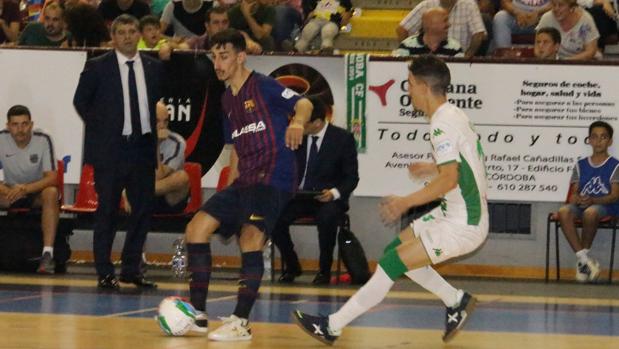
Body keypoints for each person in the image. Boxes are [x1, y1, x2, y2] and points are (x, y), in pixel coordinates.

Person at [293, 55, 488, 344]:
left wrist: (406, 201)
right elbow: (464, 165)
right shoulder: (452, 114)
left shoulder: (441, 124)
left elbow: (450, 179)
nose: (407, 91)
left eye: (409, 85)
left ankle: (332, 326)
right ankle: (455, 300)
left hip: (463, 224)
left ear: (423, 86)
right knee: (395, 250)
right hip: (454, 213)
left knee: (391, 264)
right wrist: (432, 167)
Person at [183, 28, 312, 341]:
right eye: (214, 56)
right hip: (245, 180)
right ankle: (198, 315)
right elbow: (237, 148)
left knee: (250, 237)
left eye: (224, 56)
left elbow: (304, 104)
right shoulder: (227, 99)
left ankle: (240, 322)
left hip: (274, 177)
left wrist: (296, 122)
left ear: (241, 57)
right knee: (196, 229)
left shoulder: (264, 86)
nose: (217, 63)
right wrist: (228, 185)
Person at [73, 14, 163, 290]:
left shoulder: (153, 67)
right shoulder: (98, 66)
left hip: (142, 147)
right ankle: (104, 271)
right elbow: (80, 101)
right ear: (113, 37)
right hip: (111, 151)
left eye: (132, 30)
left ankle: (131, 269)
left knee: (142, 212)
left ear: (139, 34)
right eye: (121, 31)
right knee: (108, 212)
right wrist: (104, 129)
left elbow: (154, 103)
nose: (127, 36)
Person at [272, 96, 359, 284]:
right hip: (300, 196)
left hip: (328, 198)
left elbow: (351, 177)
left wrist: (334, 193)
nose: (299, 125)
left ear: (318, 122)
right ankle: (292, 265)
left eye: (304, 122)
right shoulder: (296, 137)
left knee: (327, 218)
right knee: (274, 215)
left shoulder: (342, 139)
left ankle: (324, 270)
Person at [0, 105, 59, 274]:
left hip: (35, 190)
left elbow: (52, 177)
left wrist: (25, 189)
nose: (20, 129)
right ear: (8, 126)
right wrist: (4, 189)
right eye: (15, 124)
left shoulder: (44, 139)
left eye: (24, 124)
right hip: (9, 192)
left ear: (31, 125)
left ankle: (47, 255)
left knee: (51, 192)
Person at [557, 121, 619, 283]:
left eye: (603, 137)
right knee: (564, 211)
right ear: (589, 140)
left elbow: (615, 196)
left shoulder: (615, 165)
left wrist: (593, 200)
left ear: (610, 141)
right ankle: (584, 261)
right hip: (584, 205)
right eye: (594, 137)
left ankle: (582, 263)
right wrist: (577, 198)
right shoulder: (580, 164)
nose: (598, 141)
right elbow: (573, 195)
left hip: (607, 206)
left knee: (590, 212)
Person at [396, 0, 487, 58]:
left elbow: (479, 35)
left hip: (455, 57)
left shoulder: (469, 5)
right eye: (445, 21)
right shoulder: (426, 5)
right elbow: (402, 29)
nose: (449, 24)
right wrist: (409, 50)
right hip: (422, 60)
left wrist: (465, 59)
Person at [186, 6, 262, 53]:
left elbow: (250, 44)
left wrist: (253, 46)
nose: (221, 26)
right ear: (207, 26)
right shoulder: (197, 42)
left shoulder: (239, 36)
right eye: (216, 22)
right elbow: (181, 47)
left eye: (224, 22)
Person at [393, 7, 464, 57]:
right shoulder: (406, 46)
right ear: (431, 24)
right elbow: (399, 70)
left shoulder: (455, 48)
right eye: (445, 20)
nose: (449, 24)